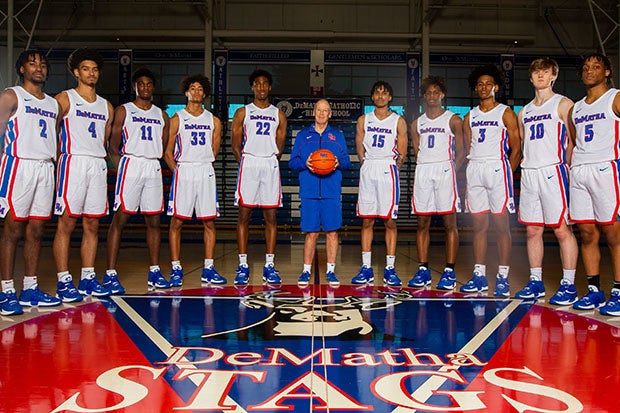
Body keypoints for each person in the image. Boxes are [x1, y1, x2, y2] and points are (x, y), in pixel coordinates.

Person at [0, 50, 62, 315]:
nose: (39, 68)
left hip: (45, 167)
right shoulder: (11, 95)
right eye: (32, 63)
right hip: (18, 165)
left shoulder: (52, 103)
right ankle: (5, 291)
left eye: (43, 64)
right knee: (12, 230)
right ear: (22, 69)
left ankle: (30, 287)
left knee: (37, 231)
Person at [52, 48, 114, 301]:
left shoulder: (107, 106)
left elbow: (107, 140)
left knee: (92, 223)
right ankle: (64, 280)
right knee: (66, 223)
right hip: (72, 161)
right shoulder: (64, 99)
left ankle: (88, 277)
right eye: (86, 69)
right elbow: (50, 132)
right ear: (76, 72)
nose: (92, 73)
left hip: (97, 164)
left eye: (95, 69)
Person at [515, 57, 579, 303]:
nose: (540, 75)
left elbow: (573, 141)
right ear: (530, 78)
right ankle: (535, 282)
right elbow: (523, 143)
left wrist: (568, 168)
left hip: (554, 171)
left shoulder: (563, 104)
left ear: (553, 75)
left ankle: (569, 284)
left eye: (545, 72)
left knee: (562, 229)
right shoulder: (524, 112)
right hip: (530, 172)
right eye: (536, 72)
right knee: (532, 230)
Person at [106, 68, 170, 291]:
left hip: (152, 165)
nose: (145, 87)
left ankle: (154, 271)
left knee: (154, 221)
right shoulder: (124, 111)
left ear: (153, 87)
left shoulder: (161, 115)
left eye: (149, 84)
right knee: (120, 219)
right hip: (130, 164)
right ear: (135, 86)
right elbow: (113, 145)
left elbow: (163, 145)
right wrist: (121, 166)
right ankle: (111, 274)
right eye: (141, 84)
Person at [461, 64, 521, 296]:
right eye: (480, 84)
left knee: (501, 224)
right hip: (475, 167)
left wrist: (507, 171)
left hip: (498, 168)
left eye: (488, 83)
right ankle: (479, 276)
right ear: (476, 88)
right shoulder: (469, 116)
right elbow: (468, 147)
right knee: (478, 226)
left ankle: (503, 277)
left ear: (496, 86)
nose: (484, 87)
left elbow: (516, 148)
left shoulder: (506, 112)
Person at [567, 53, 620, 316]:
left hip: (607, 168)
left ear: (607, 72)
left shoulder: (615, 98)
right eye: (586, 67)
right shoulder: (576, 108)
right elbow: (576, 141)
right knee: (587, 233)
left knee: (613, 234)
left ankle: (619, 291)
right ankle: (594, 290)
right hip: (580, 171)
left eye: (596, 67)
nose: (590, 71)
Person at [163, 74, 226, 285]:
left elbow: (214, 151)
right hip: (185, 170)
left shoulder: (214, 120)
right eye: (193, 88)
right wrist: (178, 171)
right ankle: (175, 268)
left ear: (205, 93)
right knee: (177, 221)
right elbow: (167, 151)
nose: (196, 91)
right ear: (186, 92)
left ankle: (209, 268)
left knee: (209, 221)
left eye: (200, 88)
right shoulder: (177, 119)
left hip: (205, 170)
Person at [230, 69, 287, 285]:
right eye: (257, 83)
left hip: (269, 163)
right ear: (252, 87)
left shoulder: (278, 114)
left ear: (269, 87)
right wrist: (246, 162)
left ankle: (269, 265)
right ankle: (243, 264)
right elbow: (235, 145)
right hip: (250, 162)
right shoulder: (243, 112)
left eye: (265, 83)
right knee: (244, 215)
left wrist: (268, 158)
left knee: (270, 217)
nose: (261, 87)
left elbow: (279, 148)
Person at [408, 76, 465, 290]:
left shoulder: (453, 120)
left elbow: (461, 151)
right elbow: (416, 151)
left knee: (449, 223)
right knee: (422, 222)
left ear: (442, 95)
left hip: (444, 169)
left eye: (436, 92)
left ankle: (449, 270)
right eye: (428, 93)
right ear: (424, 96)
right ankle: (423, 270)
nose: (432, 96)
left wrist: (451, 171)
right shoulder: (417, 123)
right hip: (424, 169)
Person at [351, 81, 408, 286]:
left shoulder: (398, 121)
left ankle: (390, 269)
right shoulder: (363, 120)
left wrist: (394, 168)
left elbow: (402, 151)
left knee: (389, 221)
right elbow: (359, 149)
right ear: (373, 97)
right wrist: (366, 165)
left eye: (385, 93)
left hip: (388, 169)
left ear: (390, 98)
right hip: (369, 168)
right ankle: (366, 268)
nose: (381, 96)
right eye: (377, 92)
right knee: (367, 220)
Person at [289, 99, 351, 286]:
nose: (322, 113)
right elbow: (292, 163)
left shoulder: (337, 136)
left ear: (330, 114)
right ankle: (306, 270)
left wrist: (339, 163)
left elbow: (347, 162)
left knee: (332, 232)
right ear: (313, 113)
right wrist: (305, 164)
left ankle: (331, 271)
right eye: (319, 110)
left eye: (325, 110)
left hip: (331, 191)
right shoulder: (302, 136)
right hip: (309, 191)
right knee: (311, 233)